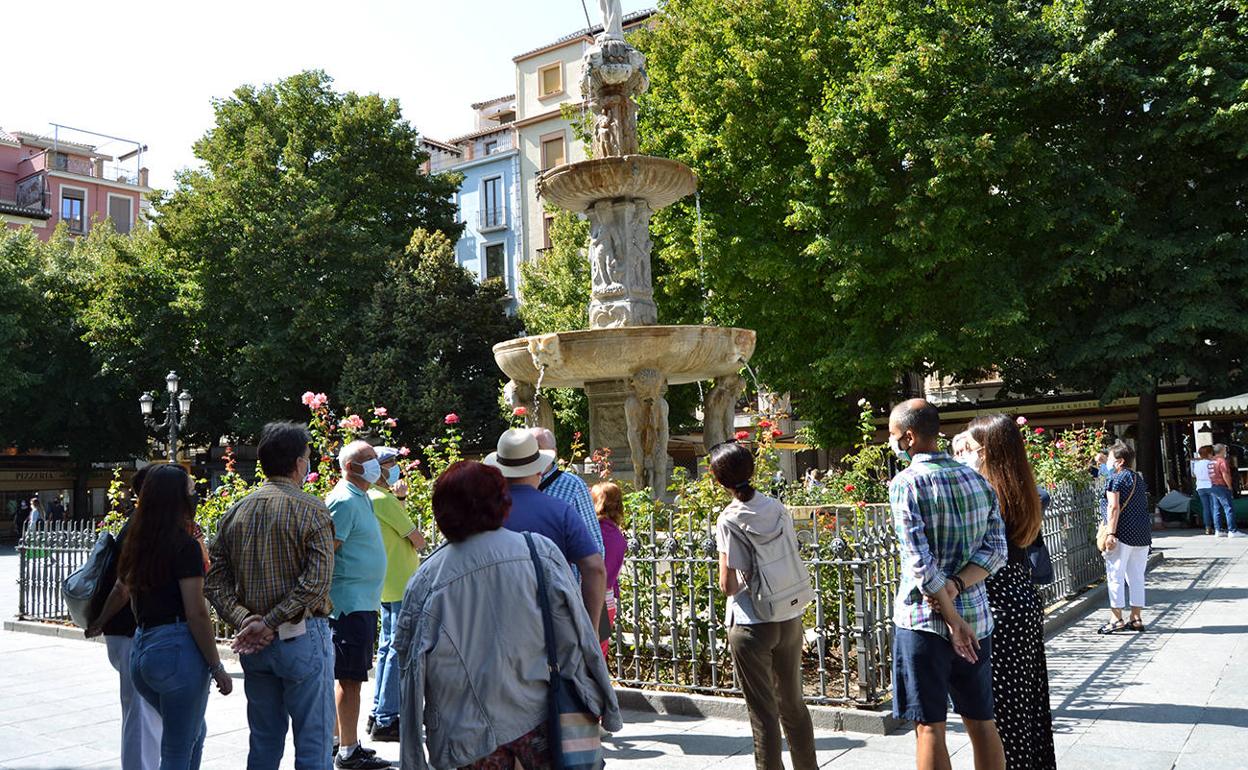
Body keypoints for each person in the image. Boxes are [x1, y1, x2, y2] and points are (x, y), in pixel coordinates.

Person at [395, 461, 622, 769]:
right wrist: (602, 704)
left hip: (466, 731)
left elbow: (409, 670)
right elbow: (576, 637)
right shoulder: (538, 551)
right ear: (502, 502)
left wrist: (413, 759)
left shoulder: (427, 579)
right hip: (538, 716)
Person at [204, 422, 337, 770]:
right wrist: (270, 622)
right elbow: (316, 583)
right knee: (314, 740)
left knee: (263, 741)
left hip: (256, 647)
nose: (308, 464)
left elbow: (214, 581)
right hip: (301, 638)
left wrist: (246, 620)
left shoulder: (236, 512)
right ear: (297, 463)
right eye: (307, 458)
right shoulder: (312, 509)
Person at [888, 399, 1008, 770]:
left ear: (908, 437)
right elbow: (997, 551)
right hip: (977, 620)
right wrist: (957, 584)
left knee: (929, 728)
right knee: (981, 721)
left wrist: (952, 618)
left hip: (924, 622)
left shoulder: (906, 483)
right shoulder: (977, 480)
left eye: (893, 435)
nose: (891, 442)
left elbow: (919, 563)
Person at [103, 465, 232, 768]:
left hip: (143, 649)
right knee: (177, 747)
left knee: (193, 732)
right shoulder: (182, 546)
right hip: (176, 652)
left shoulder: (139, 541)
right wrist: (217, 667)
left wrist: (98, 622)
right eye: (190, 491)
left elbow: (123, 590)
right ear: (178, 499)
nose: (195, 496)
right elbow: (197, 612)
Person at [709, 441, 817, 770]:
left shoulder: (729, 519)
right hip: (789, 614)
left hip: (751, 623)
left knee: (764, 714)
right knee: (793, 705)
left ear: (719, 481)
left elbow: (728, 585)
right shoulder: (777, 507)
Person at [965, 415, 1056, 769]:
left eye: (971, 449)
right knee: (1029, 702)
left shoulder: (990, 493)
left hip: (998, 602)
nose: (967, 456)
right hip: (1022, 596)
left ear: (986, 451)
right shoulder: (1023, 488)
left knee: (1004, 710)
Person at [484, 428, 607, 623]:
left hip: (495, 614)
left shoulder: (482, 510)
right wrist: (590, 628)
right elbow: (595, 564)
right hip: (554, 612)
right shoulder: (561, 511)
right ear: (538, 467)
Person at [86, 466, 162, 770]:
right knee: (140, 713)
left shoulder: (143, 524)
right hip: (129, 630)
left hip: (129, 629)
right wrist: (100, 621)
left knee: (144, 712)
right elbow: (123, 587)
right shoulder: (140, 527)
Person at [325, 440, 390, 769]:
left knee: (349, 677)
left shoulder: (359, 496)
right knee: (349, 679)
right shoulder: (343, 500)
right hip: (347, 604)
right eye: (369, 458)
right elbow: (327, 553)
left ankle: (339, 744)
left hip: (359, 602)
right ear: (350, 466)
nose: (376, 462)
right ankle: (347, 750)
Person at [366, 446, 425, 742]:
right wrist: (400, 499)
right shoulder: (384, 499)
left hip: (387, 582)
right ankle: (387, 717)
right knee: (395, 650)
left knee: (387, 647)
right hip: (400, 582)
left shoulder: (374, 498)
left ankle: (378, 712)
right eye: (390, 463)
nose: (395, 468)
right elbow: (417, 538)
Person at [531, 428, 607, 576]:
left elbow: (594, 544)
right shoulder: (513, 484)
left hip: (562, 584)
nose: (534, 454)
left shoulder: (573, 485)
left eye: (539, 448)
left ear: (554, 452)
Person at [1100, 444, 1153, 633]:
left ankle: (1116, 618)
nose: (1108, 461)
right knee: (1137, 576)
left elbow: (1113, 507)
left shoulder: (1115, 479)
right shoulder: (1138, 478)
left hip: (1121, 534)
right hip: (1141, 534)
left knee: (1115, 575)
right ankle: (1136, 617)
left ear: (1120, 461)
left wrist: (1111, 534)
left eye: (1110, 457)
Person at [591, 480, 627, 658]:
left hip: (591, 599)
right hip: (609, 600)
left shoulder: (594, 531)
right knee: (600, 653)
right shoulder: (618, 536)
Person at [1210, 444, 1243, 538]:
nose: (1226, 451)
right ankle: (1232, 530)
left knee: (1216, 509)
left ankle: (1218, 530)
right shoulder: (1222, 461)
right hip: (1221, 486)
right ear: (1221, 450)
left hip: (1212, 486)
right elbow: (1225, 474)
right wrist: (1229, 486)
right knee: (1228, 508)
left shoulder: (1211, 461)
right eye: (1225, 450)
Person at [1192, 446, 1217, 535]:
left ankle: (1207, 527)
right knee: (1214, 507)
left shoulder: (1196, 464)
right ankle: (1217, 527)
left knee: (1205, 508)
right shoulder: (1211, 463)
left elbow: (1194, 475)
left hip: (1200, 487)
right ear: (1209, 453)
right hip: (1210, 485)